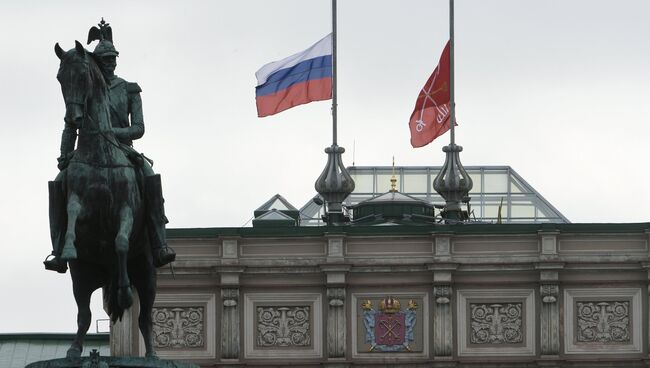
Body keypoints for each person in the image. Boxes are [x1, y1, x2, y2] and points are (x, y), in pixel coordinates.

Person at [44, 21, 176, 272]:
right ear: (97, 61)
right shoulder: (85, 87)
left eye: (113, 58)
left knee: (150, 176)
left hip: (123, 150)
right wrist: (64, 154)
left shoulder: (128, 89)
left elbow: (138, 128)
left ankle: (159, 244)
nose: (110, 63)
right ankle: (59, 247)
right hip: (86, 151)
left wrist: (108, 132)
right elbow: (71, 123)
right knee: (60, 181)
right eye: (105, 59)